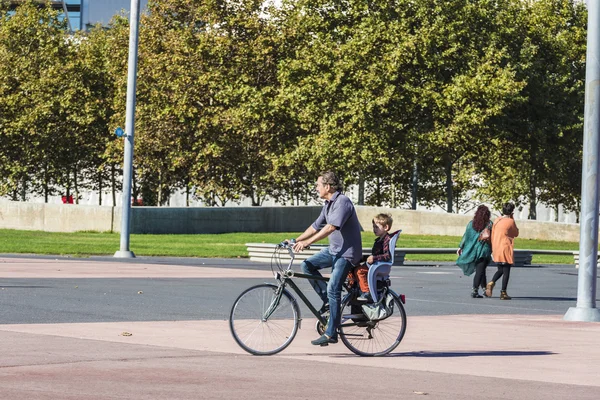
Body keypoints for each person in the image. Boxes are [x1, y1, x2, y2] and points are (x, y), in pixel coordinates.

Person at [292, 171, 362, 346]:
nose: (316, 188)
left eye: (318, 185)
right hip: (333, 251)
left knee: (333, 288)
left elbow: (330, 227)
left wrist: (307, 243)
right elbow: (316, 226)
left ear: (328, 187)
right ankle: (328, 304)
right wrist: (296, 240)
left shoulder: (342, 202)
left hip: (347, 254)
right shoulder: (328, 204)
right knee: (307, 265)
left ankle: (332, 332)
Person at [353, 213, 399, 302]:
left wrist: (374, 258)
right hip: (377, 264)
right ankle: (357, 289)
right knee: (354, 267)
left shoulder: (386, 240)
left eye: (376, 227)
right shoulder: (379, 240)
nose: (374, 229)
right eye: (373, 227)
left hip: (380, 266)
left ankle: (367, 293)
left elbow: (387, 256)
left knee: (360, 271)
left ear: (386, 227)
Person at [456, 205, 493, 298]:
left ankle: (484, 289)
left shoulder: (471, 224)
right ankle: (475, 290)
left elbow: (466, 236)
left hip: (473, 251)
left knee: (481, 270)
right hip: (483, 250)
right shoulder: (489, 224)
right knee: (480, 271)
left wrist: (461, 247)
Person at [486, 202, 519, 300]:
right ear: (512, 211)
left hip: (496, 246)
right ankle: (503, 292)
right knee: (506, 270)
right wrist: (512, 219)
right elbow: (516, 233)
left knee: (500, 269)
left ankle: (491, 282)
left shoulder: (497, 220)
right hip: (505, 247)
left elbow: (492, 234)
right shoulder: (510, 221)